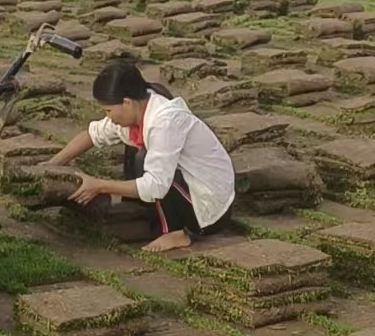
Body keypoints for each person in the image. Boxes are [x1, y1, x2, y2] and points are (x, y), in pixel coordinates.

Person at [43, 58, 235, 253]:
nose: (108, 116)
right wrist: (51, 165)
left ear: (126, 103)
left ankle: (177, 232)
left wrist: (99, 185)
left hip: (208, 209)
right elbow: (92, 135)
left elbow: (157, 185)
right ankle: (143, 207)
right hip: (183, 187)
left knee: (146, 159)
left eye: (108, 110)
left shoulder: (164, 122)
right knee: (135, 147)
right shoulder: (138, 110)